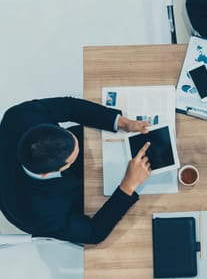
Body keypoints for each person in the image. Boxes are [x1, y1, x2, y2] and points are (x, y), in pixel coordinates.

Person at [0, 97, 152, 244]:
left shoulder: (20, 115)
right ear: (51, 172)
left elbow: (69, 106)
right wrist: (128, 186)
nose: (81, 148)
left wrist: (121, 122)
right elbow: (93, 233)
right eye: (74, 156)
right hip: (60, 201)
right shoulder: (39, 212)